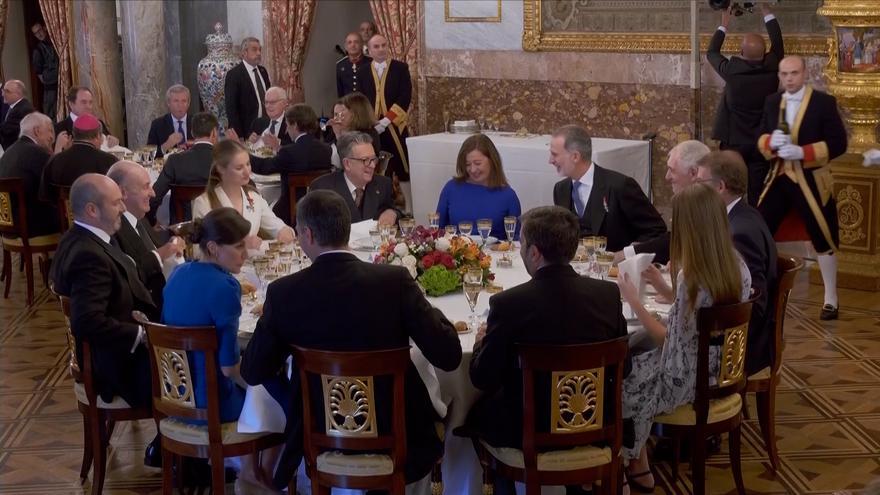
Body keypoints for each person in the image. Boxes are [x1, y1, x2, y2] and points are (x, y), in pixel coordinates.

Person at [240, 189, 462, 488]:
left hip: (319, 432)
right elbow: (448, 356)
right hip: (401, 434)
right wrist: (434, 313)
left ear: (306, 234)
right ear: (346, 228)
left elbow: (253, 370)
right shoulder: (393, 282)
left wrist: (298, 402)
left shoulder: (284, 293)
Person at [617, 183, 751, 491]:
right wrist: (664, 290)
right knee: (635, 365)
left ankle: (627, 465)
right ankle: (638, 464)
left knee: (619, 382)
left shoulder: (692, 276)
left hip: (688, 377)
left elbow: (667, 339)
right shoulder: (736, 263)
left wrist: (632, 299)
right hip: (722, 369)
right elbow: (700, 314)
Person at [468, 205, 629, 450]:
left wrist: (481, 342)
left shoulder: (509, 304)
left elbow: (483, 378)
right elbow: (624, 368)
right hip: (593, 422)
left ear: (534, 253)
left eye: (521, 244)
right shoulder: (607, 295)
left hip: (525, 432)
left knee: (474, 414)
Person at [162, 207, 283, 491]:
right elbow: (229, 368)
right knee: (283, 395)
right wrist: (259, 386)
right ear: (214, 248)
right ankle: (257, 474)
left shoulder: (177, 274)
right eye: (239, 246)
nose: (245, 253)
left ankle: (252, 470)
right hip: (212, 402)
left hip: (176, 397)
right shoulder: (225, 286)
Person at [50, 173, 158, 409]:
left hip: (114, 355)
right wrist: (140, 335)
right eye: (115, 202)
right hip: (119, 367)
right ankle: (170, 443)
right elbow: (87, 321)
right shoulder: (88, 256)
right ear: (92, 210)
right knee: (198, 378)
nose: (122, 208)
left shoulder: (79, 238)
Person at [756, 55, 847, 320]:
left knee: (822, 236)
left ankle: (831, 298)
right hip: (779, 177)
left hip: (811, 181)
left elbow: (838, 143)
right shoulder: (772, 102)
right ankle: (760, 292)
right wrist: (771, 143)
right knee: (758, 232)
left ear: (804, 73)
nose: (788, 79)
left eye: (793, 73)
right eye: (784, 74)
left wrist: (803, 151)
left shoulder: (823, 103)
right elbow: (760, 136)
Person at [696, 151, 777, 375]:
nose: (696, 189)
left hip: (741, 348)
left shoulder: (739, 232)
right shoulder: (742, 215)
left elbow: (754, 302)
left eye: (700, 182)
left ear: (720, 187)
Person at [550, 125, 669, 262]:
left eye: (554, 154)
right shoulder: (560, 190)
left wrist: (627, 254)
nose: (550, 161)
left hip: (616, 275)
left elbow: (657, 231)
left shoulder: (620, 186)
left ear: (575, 156)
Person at [708, 2, 784, 205]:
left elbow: (712, 52)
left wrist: (724, 23)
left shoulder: (732, 71)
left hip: (734, 142)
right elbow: (778, 43)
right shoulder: (773, 68)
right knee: (758, 193)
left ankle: (731, 228)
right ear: (765, 52)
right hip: (761, 142)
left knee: (730, 190)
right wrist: (767, 11)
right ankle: (756, 227)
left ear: (741, 51)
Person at [107, 161, 184, 308]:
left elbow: (154, 246)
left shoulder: (139, 218)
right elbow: (127, 277)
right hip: (150, 311)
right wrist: (160, 254)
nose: (153, 193)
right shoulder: (113, 229)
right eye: (146, 186)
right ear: (123, 193)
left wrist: (172, 245)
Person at [192, 140, 295, 249]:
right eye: (239, 168)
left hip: (253, 264)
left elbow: (276, 225)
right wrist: (241, 245)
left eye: (248, 164)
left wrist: (284, 231)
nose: (247, 172)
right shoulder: (204, 203)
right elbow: (198, 251)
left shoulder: (254, 197)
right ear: (221, 169)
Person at [249, 104, 332, 225]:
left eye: (288, 125)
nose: (287, 130)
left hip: (291, 210)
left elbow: (264, 167)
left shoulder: (289, 152)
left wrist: (243, 154)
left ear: (295, 125)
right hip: (323, 208)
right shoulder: (326, 149)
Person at [436, 133, 521, 240]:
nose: (472, 169)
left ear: (492, 161)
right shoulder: (451, 188)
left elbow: (516, 240)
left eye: (477, 163)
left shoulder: (508, 196)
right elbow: (438, 231)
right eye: (467, 164)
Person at [0, 112, 68, 236]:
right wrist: (58, 152)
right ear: (37, 131)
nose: (52, 137)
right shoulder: (37, 153)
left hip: (9, 226)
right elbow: (57, 183)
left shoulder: (8, 153)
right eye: (49, 131)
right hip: (35, 227)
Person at [310, 131, 398, 225]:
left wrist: (392, 213)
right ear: (347, 164)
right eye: (365, 160)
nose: (372, 165)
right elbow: (309, 226)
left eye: (373, 159)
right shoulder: (322, 189)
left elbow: (396, 211)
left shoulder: (383, 184)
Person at [366, 34, 413, 210]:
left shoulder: (400, 68)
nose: (381, 49)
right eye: (376, 46)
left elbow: (405, 96)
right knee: (375, 168)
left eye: (384, 45)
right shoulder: (364, 71)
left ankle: (409, 207)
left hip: (395, 127)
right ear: (369, 50)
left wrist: (386, 121)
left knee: (403, 166)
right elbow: (361, 99)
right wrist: (371, 122)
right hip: (371, 128)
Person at [149, 112, 219, 225]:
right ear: (214, 133)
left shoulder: (175, 161)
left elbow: (154, 196)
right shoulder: (223, 160)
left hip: (182, 230)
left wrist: (152, 221)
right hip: (218, 226)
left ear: (192, 132)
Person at [39, 113, 117, 203]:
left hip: (62, 216)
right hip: (99, 216)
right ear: (98, 136)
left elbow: (45, 196)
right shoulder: (109, 161)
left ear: (74, 134)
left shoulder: (54, 161)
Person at [224, 37, 271, 137]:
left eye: (260, 50)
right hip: (247, 130)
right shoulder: (234, 74)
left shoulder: (263, 71)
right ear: (244, 53)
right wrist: (239, 135)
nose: (258, 53)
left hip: (267, 127)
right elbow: (231, 109)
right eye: (254, 49)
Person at [54, 87, 119, 148]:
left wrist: (114, 141)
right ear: (71, 104)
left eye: (90, 102)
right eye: (84, 102)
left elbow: (111, 144)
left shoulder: (98, 123)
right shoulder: (59, 128)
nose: (88, 107)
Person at [328, 92, 380, 167]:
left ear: (355, 114)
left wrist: (339, 136)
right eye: (335, 114)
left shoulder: (368, 135)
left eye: (341, 114)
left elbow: (349, 161)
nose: (336, 119)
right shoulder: (335, 130)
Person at [146, 84, 193, 158]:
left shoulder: (197, 122)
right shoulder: (158, 124)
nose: (180, 105)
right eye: (176, 101)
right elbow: (148, 156)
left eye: (184, 101)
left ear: (188, 103)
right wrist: (166, 145)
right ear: (168, 103)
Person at [31, 22, 59, 116]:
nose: (39, 34)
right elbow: (38, 72)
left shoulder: (56, 41)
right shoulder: (38, 50)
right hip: (50, 86)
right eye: (35, 33)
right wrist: (49, 80)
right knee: (51, 111)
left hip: (62, 81)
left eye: (39, 30)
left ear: (45, 28)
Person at [336, 31, 373, 97]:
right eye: (349, 42)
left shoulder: (371, 62)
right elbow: (340, 92)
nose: (353, 45)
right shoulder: (340, 65)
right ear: (345, 46)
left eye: (356, 42)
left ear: (362, 45)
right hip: (348, 104)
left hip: (366, 104)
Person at [0, 80, 35, 150]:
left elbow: (6, 131)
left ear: (18, 94)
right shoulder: (14, 107)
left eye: (7, 91)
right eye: (3, 91)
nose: (3, 94)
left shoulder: (22, 110)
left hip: (16, 150)